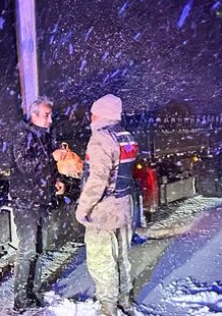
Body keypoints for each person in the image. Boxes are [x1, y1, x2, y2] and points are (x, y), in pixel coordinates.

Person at [76, 94, 140, 316]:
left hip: (103, 210)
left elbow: (98, 180)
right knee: (122, 256)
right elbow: (117, 171)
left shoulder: (101, 138)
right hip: (123, 205)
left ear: (102, 114)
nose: (91, 117)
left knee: (102, 260)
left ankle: (108, 308)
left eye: (94, 112)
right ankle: (125, 300)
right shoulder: (126, 136)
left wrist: (83, 209)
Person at [10, 96, 65, 311]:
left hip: (42, 200)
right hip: (25, 202)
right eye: (46, 115)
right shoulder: (22, 135)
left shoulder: (46, 136)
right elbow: (25, 165)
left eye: (50, 114)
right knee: (27, 250)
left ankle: (33, 292)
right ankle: (20, 299)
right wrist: (51, 157)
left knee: (40, 249)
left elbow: (47, 169)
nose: (50, 119)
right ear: (34, 115)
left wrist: (57, 181)